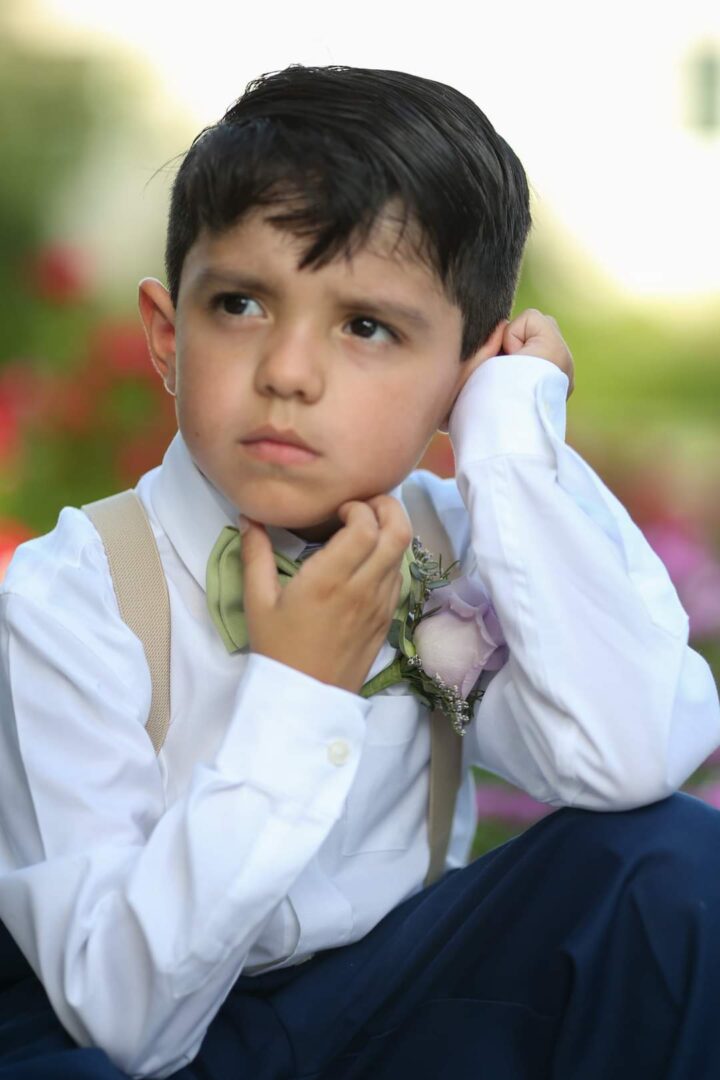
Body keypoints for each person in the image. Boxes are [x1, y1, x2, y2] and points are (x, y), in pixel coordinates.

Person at [1, 63, 719, 1080]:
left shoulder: (455, 546)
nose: (289, 371)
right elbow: (124, 1020)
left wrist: (509, 437)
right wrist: (297, 693)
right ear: (167, 339)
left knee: (672, 868)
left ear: (460, 375)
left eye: (366, 327)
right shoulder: (69, 597)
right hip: (128, 1023)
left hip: (380, 1002)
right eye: (242, 304)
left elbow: (633, 757)